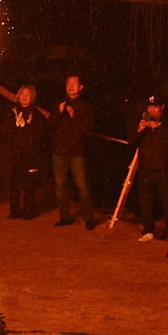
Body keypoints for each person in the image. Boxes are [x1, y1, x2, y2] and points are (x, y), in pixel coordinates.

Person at [52, 73, 96, 229]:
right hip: (59, 150)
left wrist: (73, 116)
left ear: (81, 87)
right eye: (68, 83)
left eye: (74, 83)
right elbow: (51, 126)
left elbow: (88, 128)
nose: (70, 86)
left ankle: (88, 217)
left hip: (77, 151)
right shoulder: (59, 103)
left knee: (81, 185)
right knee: (60, 186)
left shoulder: (85, 106)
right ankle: (65, 217)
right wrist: (58, 112)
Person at [135, 95, 168, 243]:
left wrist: (160, 128)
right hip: (145, 168)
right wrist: (139, 129)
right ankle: (148, 230)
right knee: (146, 202)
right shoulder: (144, 121)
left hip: (164, 170)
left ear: (162, 107)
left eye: (155, 107)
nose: (152, 110)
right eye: (149, 107)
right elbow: (132, 141)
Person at [5, 85, 48, 219]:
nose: (24, 97)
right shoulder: (12, 112)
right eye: (22, 94)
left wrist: (26, 128)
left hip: (30, 154)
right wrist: (15, 126)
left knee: (29, 183)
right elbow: (4, 131)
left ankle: (29, 210)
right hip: (15, 153)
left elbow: (39, 134)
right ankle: (14, 210)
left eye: (27, 94)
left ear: (32, 97)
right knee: (14, 183)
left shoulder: (36, 114)